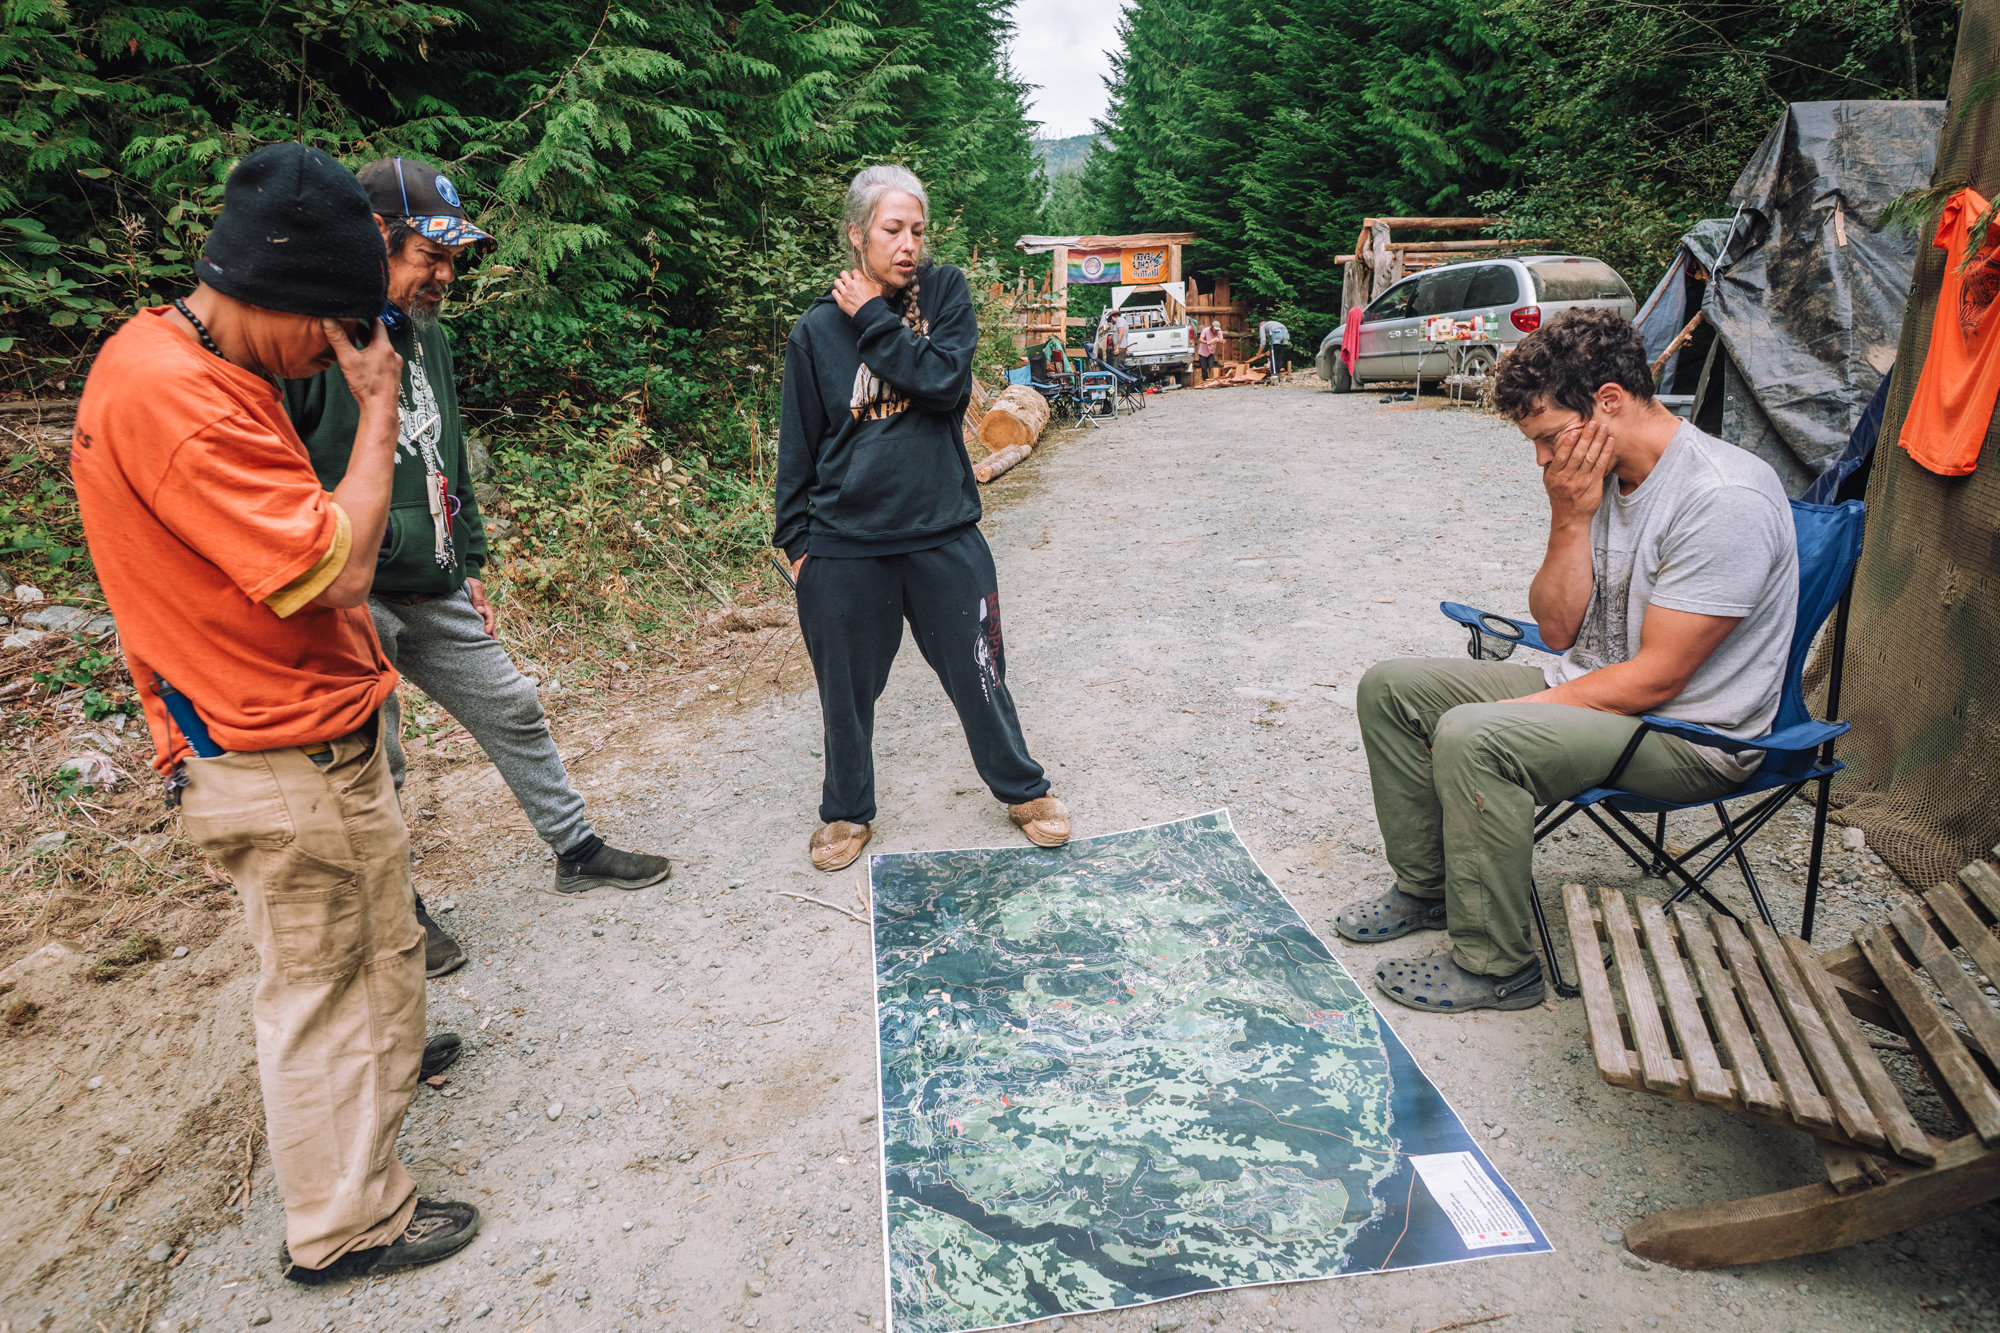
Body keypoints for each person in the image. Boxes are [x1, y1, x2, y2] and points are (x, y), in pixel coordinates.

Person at [72, 143, 481, 1282]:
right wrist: (376, 403)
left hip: (305, 729)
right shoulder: (181, 403)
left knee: (373, 947)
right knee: (320, 984)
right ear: (282, 298)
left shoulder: (172, 358)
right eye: (338, 325)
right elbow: (337, 573)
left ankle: (386, 1076)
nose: (344, 348)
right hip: (274, 752)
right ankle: (347, 1221)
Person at [1332, 309, 1797, 1015]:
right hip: (1597, 692)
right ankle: (1429, 889)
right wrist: (1569, 517)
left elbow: (1658, 678)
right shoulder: (1599, 475)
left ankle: (1495, 966)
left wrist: (1501, 716)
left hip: (1689, 734)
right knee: (1391, 688)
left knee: (1473, 735)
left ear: (1608, 402)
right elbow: (1557, 628)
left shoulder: (1720, 498)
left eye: (1549, 438)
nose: (1544, 460)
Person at [283, 157, 671, 977]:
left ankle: (576, 848)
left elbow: (447, 456)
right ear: (375, 239)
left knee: (514, 703)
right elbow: (283, 471)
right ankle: (401, 913)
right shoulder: (310, 342)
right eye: (431, 254)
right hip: (348, 590)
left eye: (452, 258)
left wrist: (473, 559)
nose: (445, 274)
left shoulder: (428, 337)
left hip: (434, 579)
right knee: (375, 761)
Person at [773, 165, 1069, 872]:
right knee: (844, 694)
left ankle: (1023, 790)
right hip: (845, 546)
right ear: (857, 234)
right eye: (891, 229)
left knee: (980, 669)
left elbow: (942, 384)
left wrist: (873, 318)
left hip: (943, 534)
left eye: (917, 230)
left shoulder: (944, 295)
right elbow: (799, 446)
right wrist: (799, 547)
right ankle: (846, 810)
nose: (908, 245)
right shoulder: (815, 331)